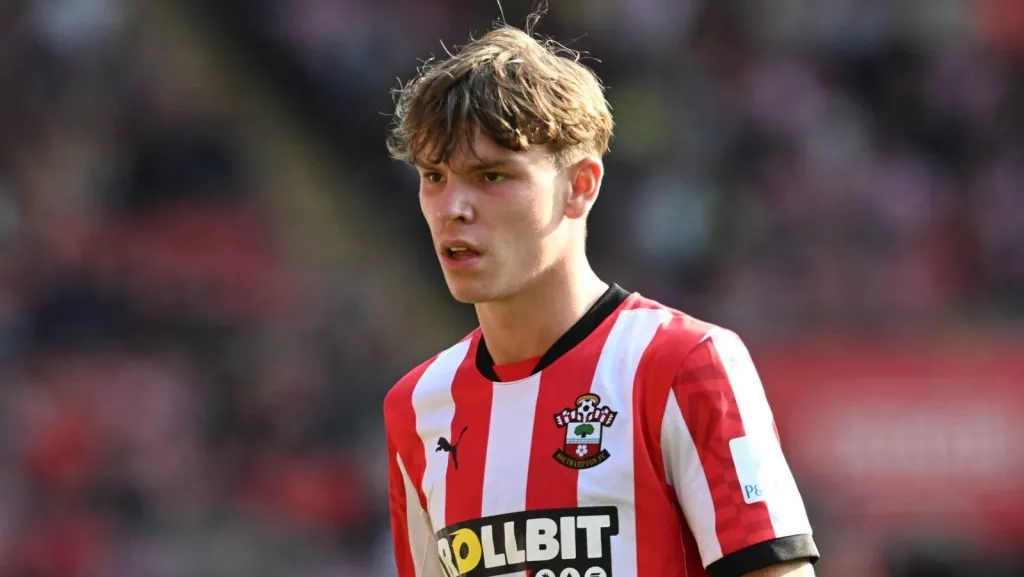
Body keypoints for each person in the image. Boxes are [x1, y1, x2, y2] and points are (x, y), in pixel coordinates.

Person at [381, 14, 820, 577]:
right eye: (434, 176)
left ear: (580, 186)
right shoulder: (417, 407)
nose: (452, 208)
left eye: (491, 176)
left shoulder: (685, 364)